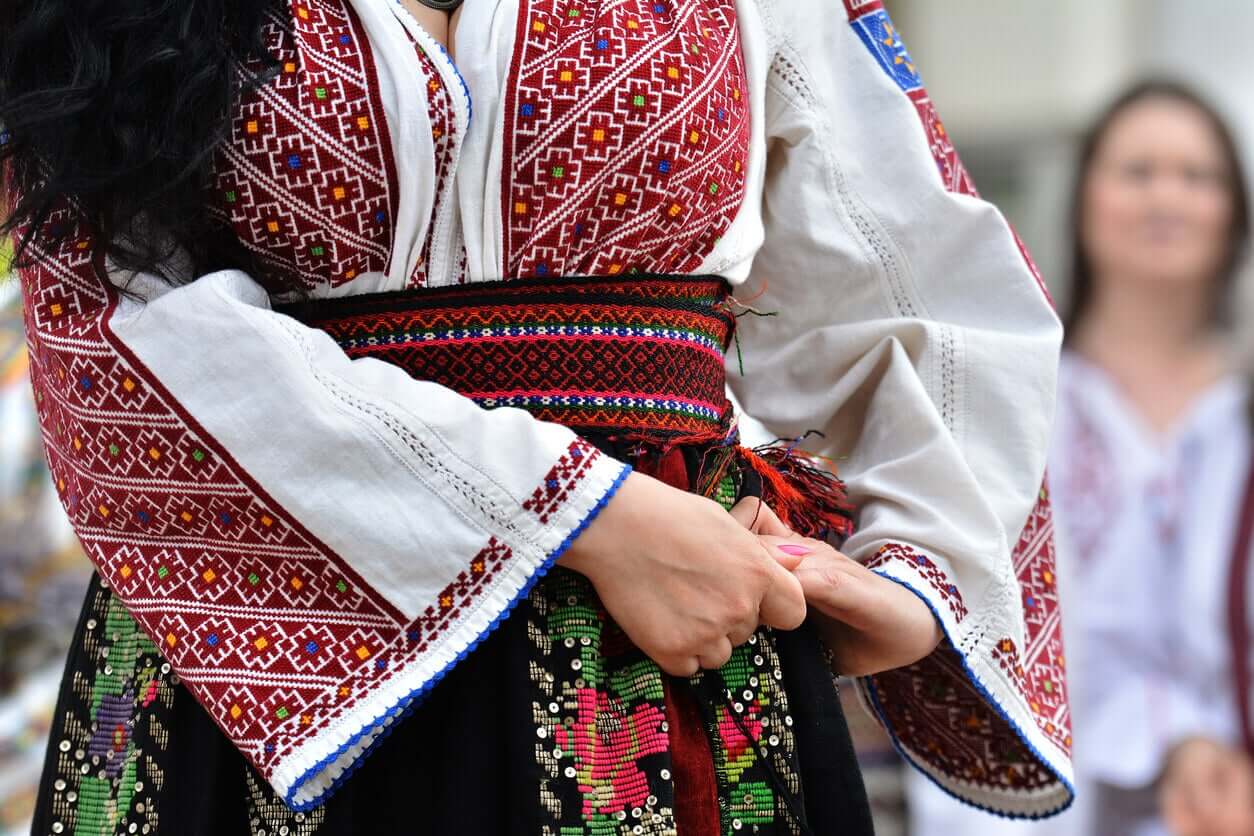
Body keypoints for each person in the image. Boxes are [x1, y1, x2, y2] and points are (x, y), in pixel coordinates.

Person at [1, 0, 1069, 832]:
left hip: (682, 642)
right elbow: (108, 314)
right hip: (281, 646)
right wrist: (583, 514)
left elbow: (915, 272)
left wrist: (918, 564)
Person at [908, 79, 1254, 836]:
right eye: (1138, 171)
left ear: (1234, 211)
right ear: (1085, 197)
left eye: (1197, 176)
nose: (1166, 197)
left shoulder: (1240, 414)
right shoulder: (1015, 401)